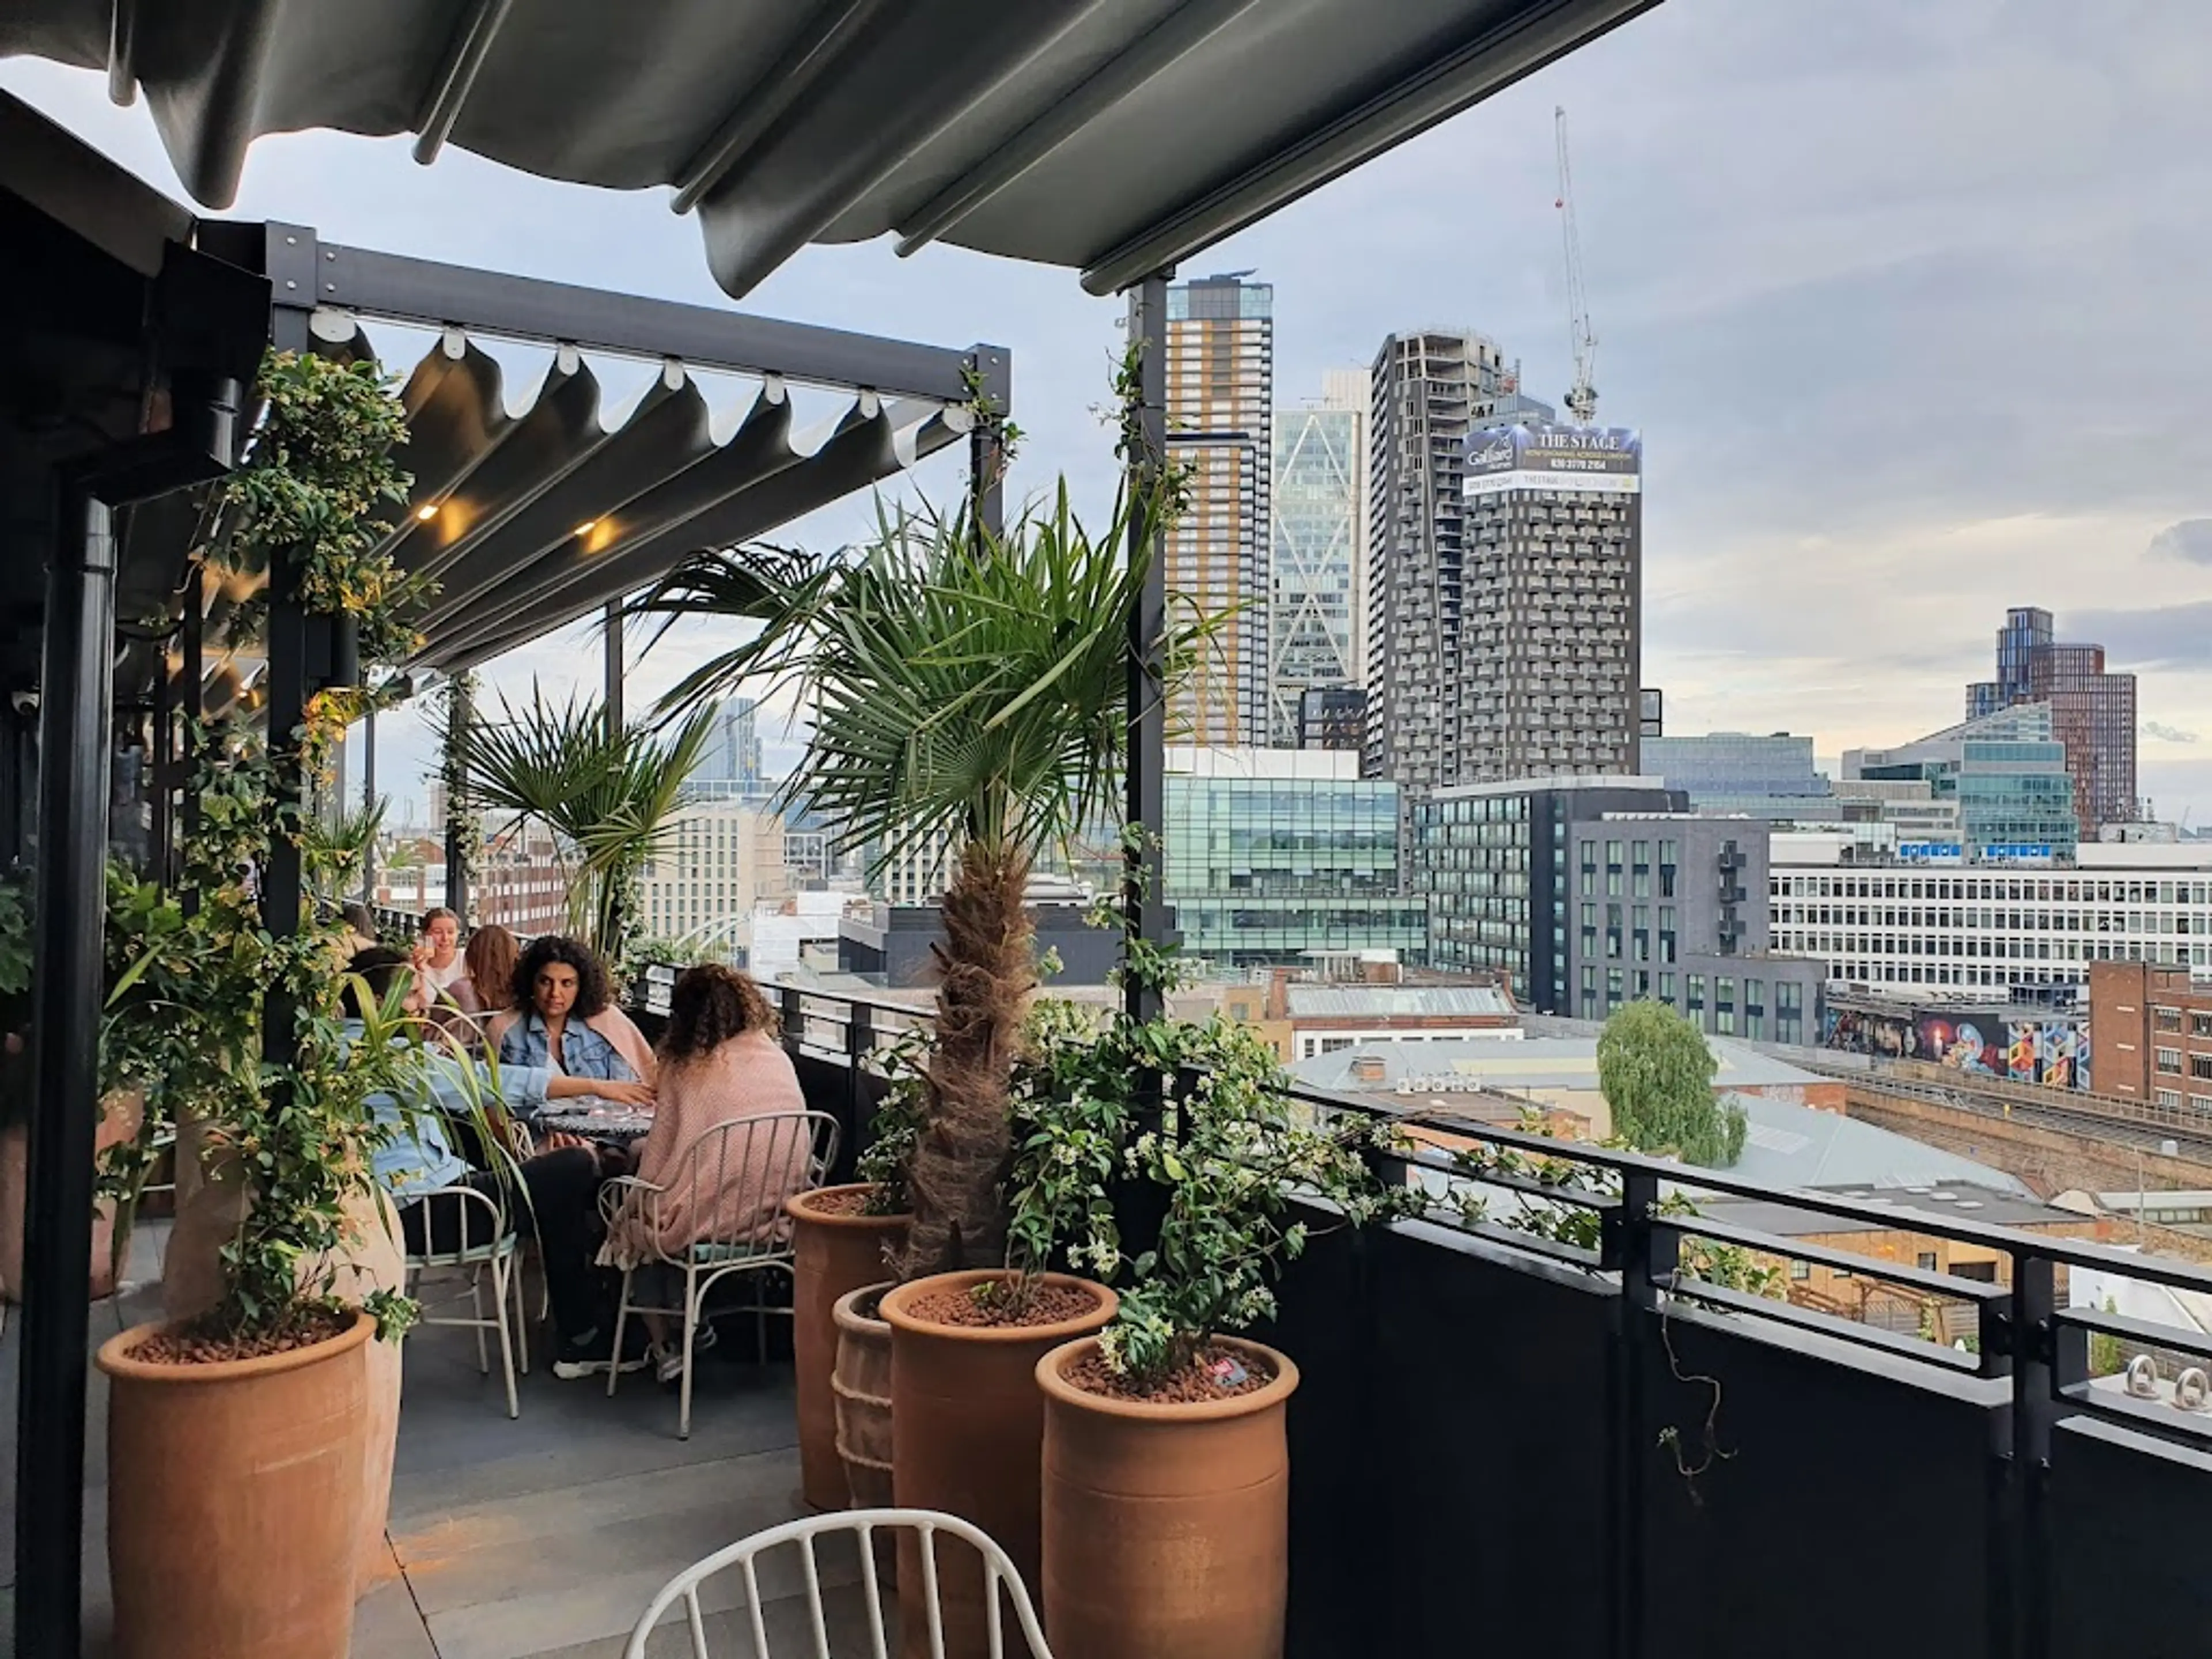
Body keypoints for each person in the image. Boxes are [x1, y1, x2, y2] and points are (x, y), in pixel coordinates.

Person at [347, 947, 657, 1379]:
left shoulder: (335, 1049)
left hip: (407, 1205)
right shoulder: (392, 1058)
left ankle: (584, 1333)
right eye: (414, 994)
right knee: (572, 1168)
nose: (423, 1004)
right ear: (378, 1004)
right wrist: (596, 1087)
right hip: (424, 1214)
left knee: (564, 1183)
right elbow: (491, 1084)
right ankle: (587, 1332)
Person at [604, 964, 809, 1380]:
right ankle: (690, 1325)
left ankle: (666, 1344)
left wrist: (632, 1199)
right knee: (660, 1201)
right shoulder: (775, 1057)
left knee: (639, 1217)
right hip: (779, 1215)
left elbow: (662, 1157)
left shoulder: (686, 1066)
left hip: (714, 1220)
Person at [488, 934, 656, 1086]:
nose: (555, 993)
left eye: (567, 983)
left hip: (602, 1117)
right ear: (531, 982)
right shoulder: (506, 1031)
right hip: (532, 1120)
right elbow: (496, 1097)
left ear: (581, 987)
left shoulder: (608, 1022)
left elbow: (630, 1086)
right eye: (545, 982)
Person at [410, 907, 469, 1001]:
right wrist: (420, 971)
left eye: (450, 932)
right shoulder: (417, 964)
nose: (445, 938)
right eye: (438, 932)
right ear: (425, 935)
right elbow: (420, 1004)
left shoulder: (466, 959)